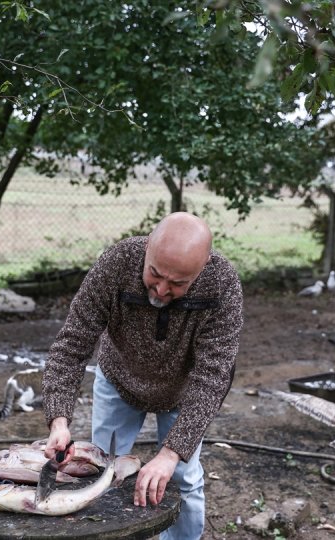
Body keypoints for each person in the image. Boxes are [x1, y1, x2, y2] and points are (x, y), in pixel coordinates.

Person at [42, 211, 243, 540]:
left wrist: (170, 453)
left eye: (178, 283)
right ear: (147, 246)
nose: (162, 290)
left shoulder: (222, 284)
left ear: (203, 265)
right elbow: (72, 343)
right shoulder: (117, 263)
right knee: (101, 473)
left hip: (182, 392)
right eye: (155, 274)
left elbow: (214, 376)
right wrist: (59, 420)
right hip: (118, 380)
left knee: (183, 479)